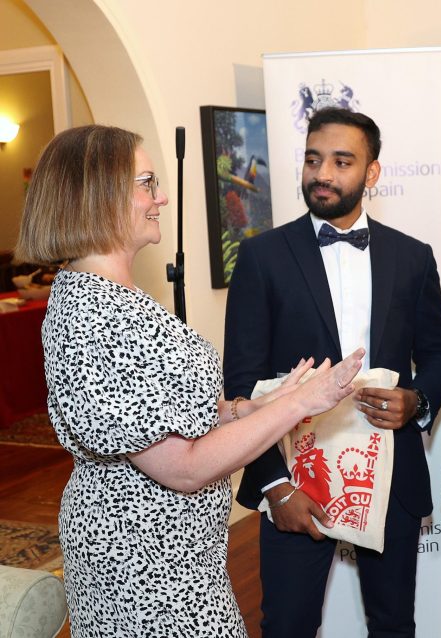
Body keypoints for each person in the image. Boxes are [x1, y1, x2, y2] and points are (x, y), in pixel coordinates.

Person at [14, 124, 364, 637]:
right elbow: (182, 466)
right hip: (143, 567)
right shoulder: (93, 314)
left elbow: (166, 412)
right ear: (99, 196)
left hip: (176, 558)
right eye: (146, 183)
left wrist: (251, 408)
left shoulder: (117, 297)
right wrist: (299, 404)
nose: (162, 197)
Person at [224, 107, 441, 638]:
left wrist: (417, 401)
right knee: (288, 625)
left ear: (372, 173)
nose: (322, 174)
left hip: (391, 472)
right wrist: (276, 487)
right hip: (295, 475)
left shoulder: (413, 257)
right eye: (313, 160)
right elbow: (242, 383)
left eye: (341, 161)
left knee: (393, 624)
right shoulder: (262, 257)